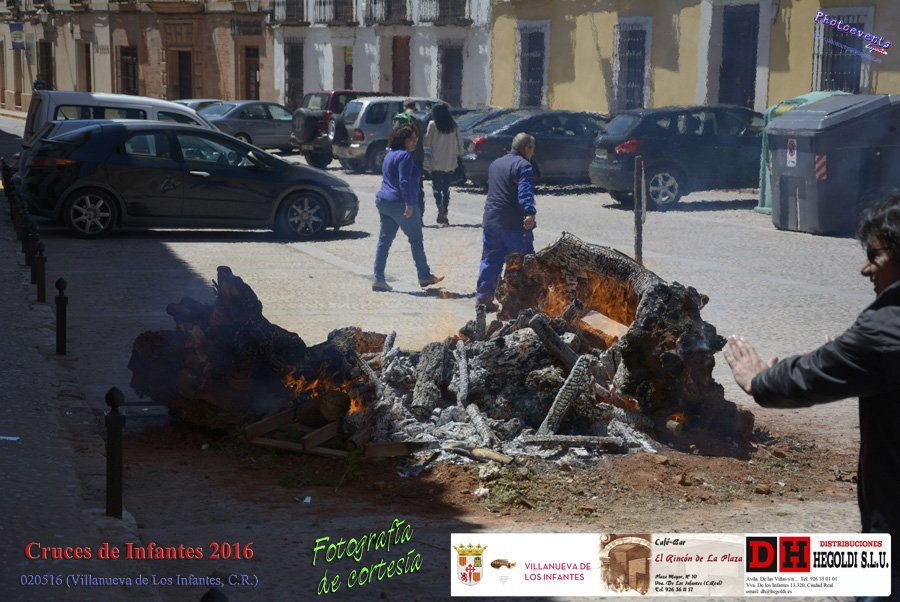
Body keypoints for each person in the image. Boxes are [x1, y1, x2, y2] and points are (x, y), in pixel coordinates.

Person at [723, 195, 900, 598]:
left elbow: (811, 375)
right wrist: (852, 357)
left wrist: (759, 380)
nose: (864, 269)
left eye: (874, 255)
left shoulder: (886, 329)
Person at [372, 125, 444, 292]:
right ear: (403, 140)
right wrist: (409, 204)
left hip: (384, 201)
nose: (415, 142)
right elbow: (404, 181)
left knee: (384, 241)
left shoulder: (389, 154)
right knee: (416, 240)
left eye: (416, 139)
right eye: (412, 139)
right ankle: (424, 275)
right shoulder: (405, 156)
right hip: (400, 202)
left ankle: (378, 278)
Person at [475, 133, 537, 313]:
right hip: (513, 224)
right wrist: (529, 213)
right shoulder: (524, 166)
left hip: (491, 220)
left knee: (490, 260)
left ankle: (483, 299)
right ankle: (518, 303)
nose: (533, 153)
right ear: (527, 148)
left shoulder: (495, 163)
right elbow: (525, 192)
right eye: (532, 149)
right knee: (520, 264)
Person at [423, 103, 465, 227]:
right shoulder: (453, 125)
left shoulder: (433, 125)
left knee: (436, 187)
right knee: (446, 189)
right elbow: (460, 142)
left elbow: (427, 142)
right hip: (450, 161)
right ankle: (445, 213)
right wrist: (460, 154)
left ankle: (439, 207)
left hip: (436, 161)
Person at [393, 99, 426, 221]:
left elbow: (394, 137)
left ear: (404, 107)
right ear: (414, 107)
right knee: (418, 187)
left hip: (402, 157)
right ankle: (419, 216)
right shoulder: (420, 120)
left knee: (402, 184)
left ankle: (403, 216)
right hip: (417, 157)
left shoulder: (399, 119)